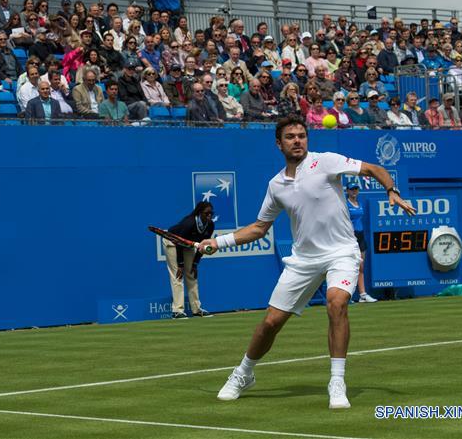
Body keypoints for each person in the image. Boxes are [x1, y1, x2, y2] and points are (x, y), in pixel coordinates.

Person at [197, 115, 415, 407]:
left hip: (341, 252)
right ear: (279, 144)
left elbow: (374, 168)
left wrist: (393, 190)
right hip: (304, 259)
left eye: (301, 135)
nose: (297, 140)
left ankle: (337, 382)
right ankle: (243, 372)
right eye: (290, 137)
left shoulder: (326, 161)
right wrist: (218, 242)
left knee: (337, 302)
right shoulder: (276, 185)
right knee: (271, 323)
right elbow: (259, 228)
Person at [162, 201, 215, 319]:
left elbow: (202, 246)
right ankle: (177, 311)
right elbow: (179, 242)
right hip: (173, 241)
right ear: (200, 212)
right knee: (178, 275)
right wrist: (180, 264)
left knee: (192, 274)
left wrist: (195, 263)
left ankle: (196, 309)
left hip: (188, 245)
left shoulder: (210, 225)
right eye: (207, 213)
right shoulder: (189, 223)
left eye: (211, 213)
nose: (209, 215)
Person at [345, 184, 376, 303]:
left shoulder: (360, 203)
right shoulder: (345, 204)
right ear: (347, 191)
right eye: (352, 189)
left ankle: (362, 295)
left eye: (356, 189)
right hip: (350, 237)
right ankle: (347, 295)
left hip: (361, 236)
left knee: (361, 267)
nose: (354, 191)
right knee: (349, 267)